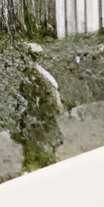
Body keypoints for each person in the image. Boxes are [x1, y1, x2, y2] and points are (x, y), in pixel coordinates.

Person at [12, 43, 66, 173]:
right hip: (35, 117)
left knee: (41, 145)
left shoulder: (39, 75)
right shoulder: (30, 74)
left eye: (24, 58)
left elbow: (50, 97)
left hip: (41, 116)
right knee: (32, 145)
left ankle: (41, 165)